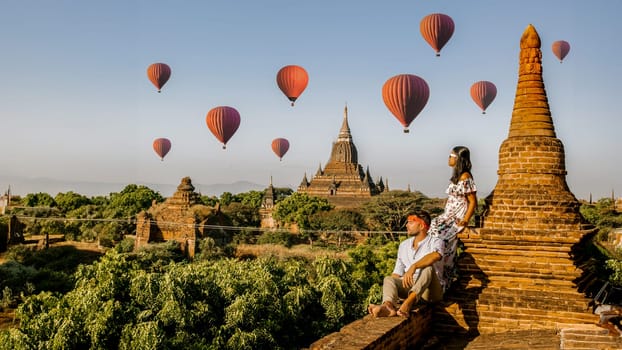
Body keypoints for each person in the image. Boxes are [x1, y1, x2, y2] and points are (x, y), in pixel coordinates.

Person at [367, 210, 444, 317]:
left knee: (428, 268)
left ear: (422, 226)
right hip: (410, 287)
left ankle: (408, 303)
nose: (407, 225)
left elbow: (436, 255)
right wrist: (393, 290)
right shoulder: (404, 245)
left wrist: (414, 266)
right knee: (389, 279)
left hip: (430, 291)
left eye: (410, 222)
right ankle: (388, 307)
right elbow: (397, 273)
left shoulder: (436, 241)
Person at [428, 145, 478, 293]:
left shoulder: (465, 177)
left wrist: (465, 221)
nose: (449, 158)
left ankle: (441, 281)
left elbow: (473, 201)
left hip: (456, 217)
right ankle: (435, 278)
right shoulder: (457, 177)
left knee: (441, 242)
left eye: (451, 156)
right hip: (447, 215)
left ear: (458, 159)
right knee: (433, 233)